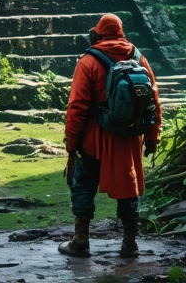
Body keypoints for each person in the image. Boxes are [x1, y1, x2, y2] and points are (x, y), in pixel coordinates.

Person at [60, 13, 162, 258]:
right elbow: (154, 101)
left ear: (97, 33)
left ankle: (81, 240)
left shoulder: (88, 61)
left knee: (83, 184)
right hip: (128, 138)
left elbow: (77, 106)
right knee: (129, 186)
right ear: (121, 33)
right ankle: (130, 243)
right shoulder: (139, 58)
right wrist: (152, 137)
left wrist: (72, 143)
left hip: (94, 138)